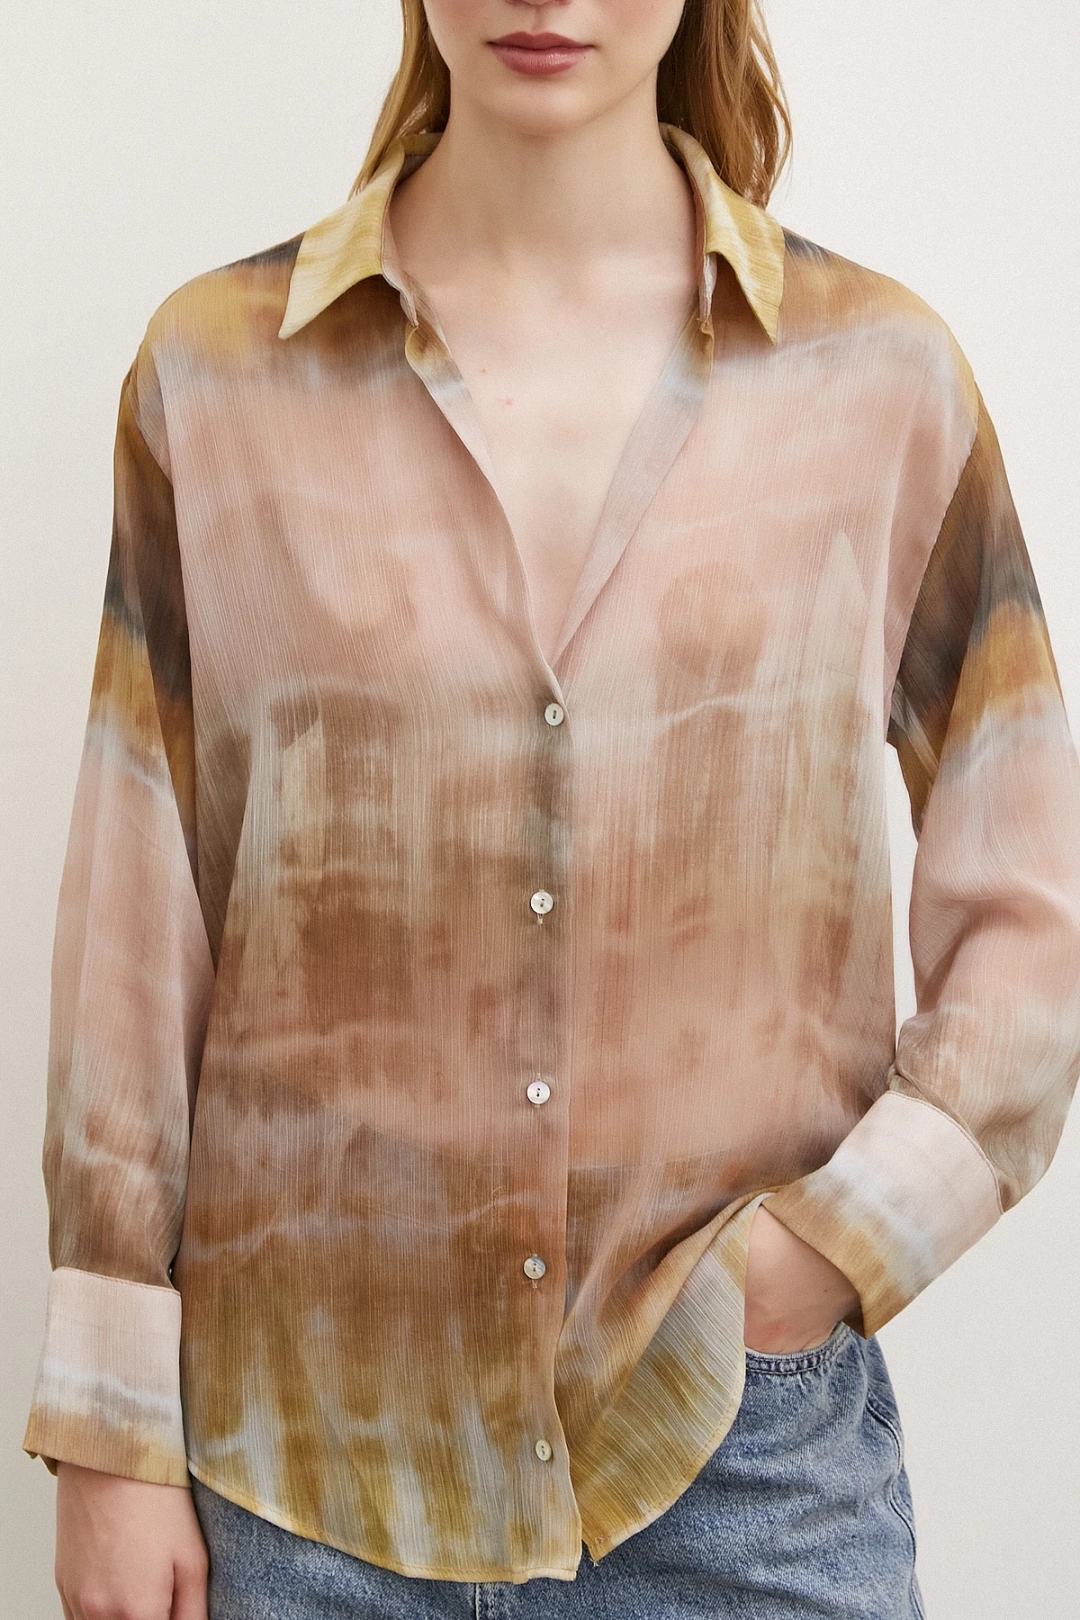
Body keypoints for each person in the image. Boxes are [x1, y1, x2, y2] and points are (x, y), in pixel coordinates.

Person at [22, 0, 1080, 1615]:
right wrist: (110, 1439)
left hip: (745, 1479)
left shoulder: (881, 380)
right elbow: (134, 917)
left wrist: (823, 1258)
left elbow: (1037, 912)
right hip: (305, 1479)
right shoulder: (218, 376)